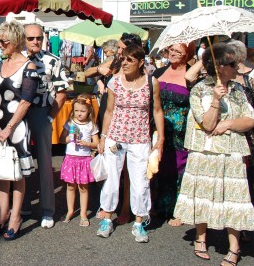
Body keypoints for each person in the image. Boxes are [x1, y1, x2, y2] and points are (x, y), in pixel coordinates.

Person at [174, 43, 254, 265]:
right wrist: (217, 101)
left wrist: (228, 123)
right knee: (203, 196)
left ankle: (234, 248)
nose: (237, 66)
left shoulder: (238, 90)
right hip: (205, 152)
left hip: (232, 152)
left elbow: (250, 119)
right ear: (218, 67)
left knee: (234, 199)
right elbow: (207, 124)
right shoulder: (200, 89)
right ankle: (200, 239)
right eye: (231, 63)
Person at [97, 44, 165, 243]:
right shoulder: (114, 82)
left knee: (140, 181)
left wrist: (160, 139)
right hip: (115, 137)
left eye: (130, 60)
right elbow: (109, 111)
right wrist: (102, 136)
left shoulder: (152, 83)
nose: (124, 63)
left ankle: (139, 222)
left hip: (140, 138)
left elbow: (157, 111)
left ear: (141, 63)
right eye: (123, 59)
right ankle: (107, 218)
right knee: (111, 179)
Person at [0, 21, 38, 240]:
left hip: (16, 128)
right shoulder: (0, 64)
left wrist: (9, 128)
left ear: (16, 41)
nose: (0, 45)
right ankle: (2, 214)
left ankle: (15, 216)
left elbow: (26, 102)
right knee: (2, 170)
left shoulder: (29, 67)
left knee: (17, 173)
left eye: (4, 41)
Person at [23, 23, 68, 228]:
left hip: (41, 112)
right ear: (23, 38)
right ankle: (21, 205)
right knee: (20, 160)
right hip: (19, 116)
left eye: (39, 38)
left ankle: (48, 210)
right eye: (31, 38)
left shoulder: (52, 61)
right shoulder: (16, 59)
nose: (35, 41)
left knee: (44, 162)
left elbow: (62, 91)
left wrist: (50, 117)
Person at [152, 42, 195, 226]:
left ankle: (179, 210)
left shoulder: (193, 75)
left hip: (181, 131)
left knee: (180, 168)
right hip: (160, 128)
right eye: (171, 48)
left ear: (187, 54)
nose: (173, 52)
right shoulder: (158, 73)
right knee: (159, 166)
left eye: (179, 50)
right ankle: (160, 205)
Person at [58, 94, 99, 227]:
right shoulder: (70, 123)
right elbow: (61, 140)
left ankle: (83, 213)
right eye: (76, 110)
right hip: (70, 158)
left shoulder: (91, 125)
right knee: (70, 186)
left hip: (84, 159)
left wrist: (87, 144)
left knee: (83, 188)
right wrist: (69, 138)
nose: (79, 114)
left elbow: (96, 143)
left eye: (82, 111)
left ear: (89, 111)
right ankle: (70, 210)